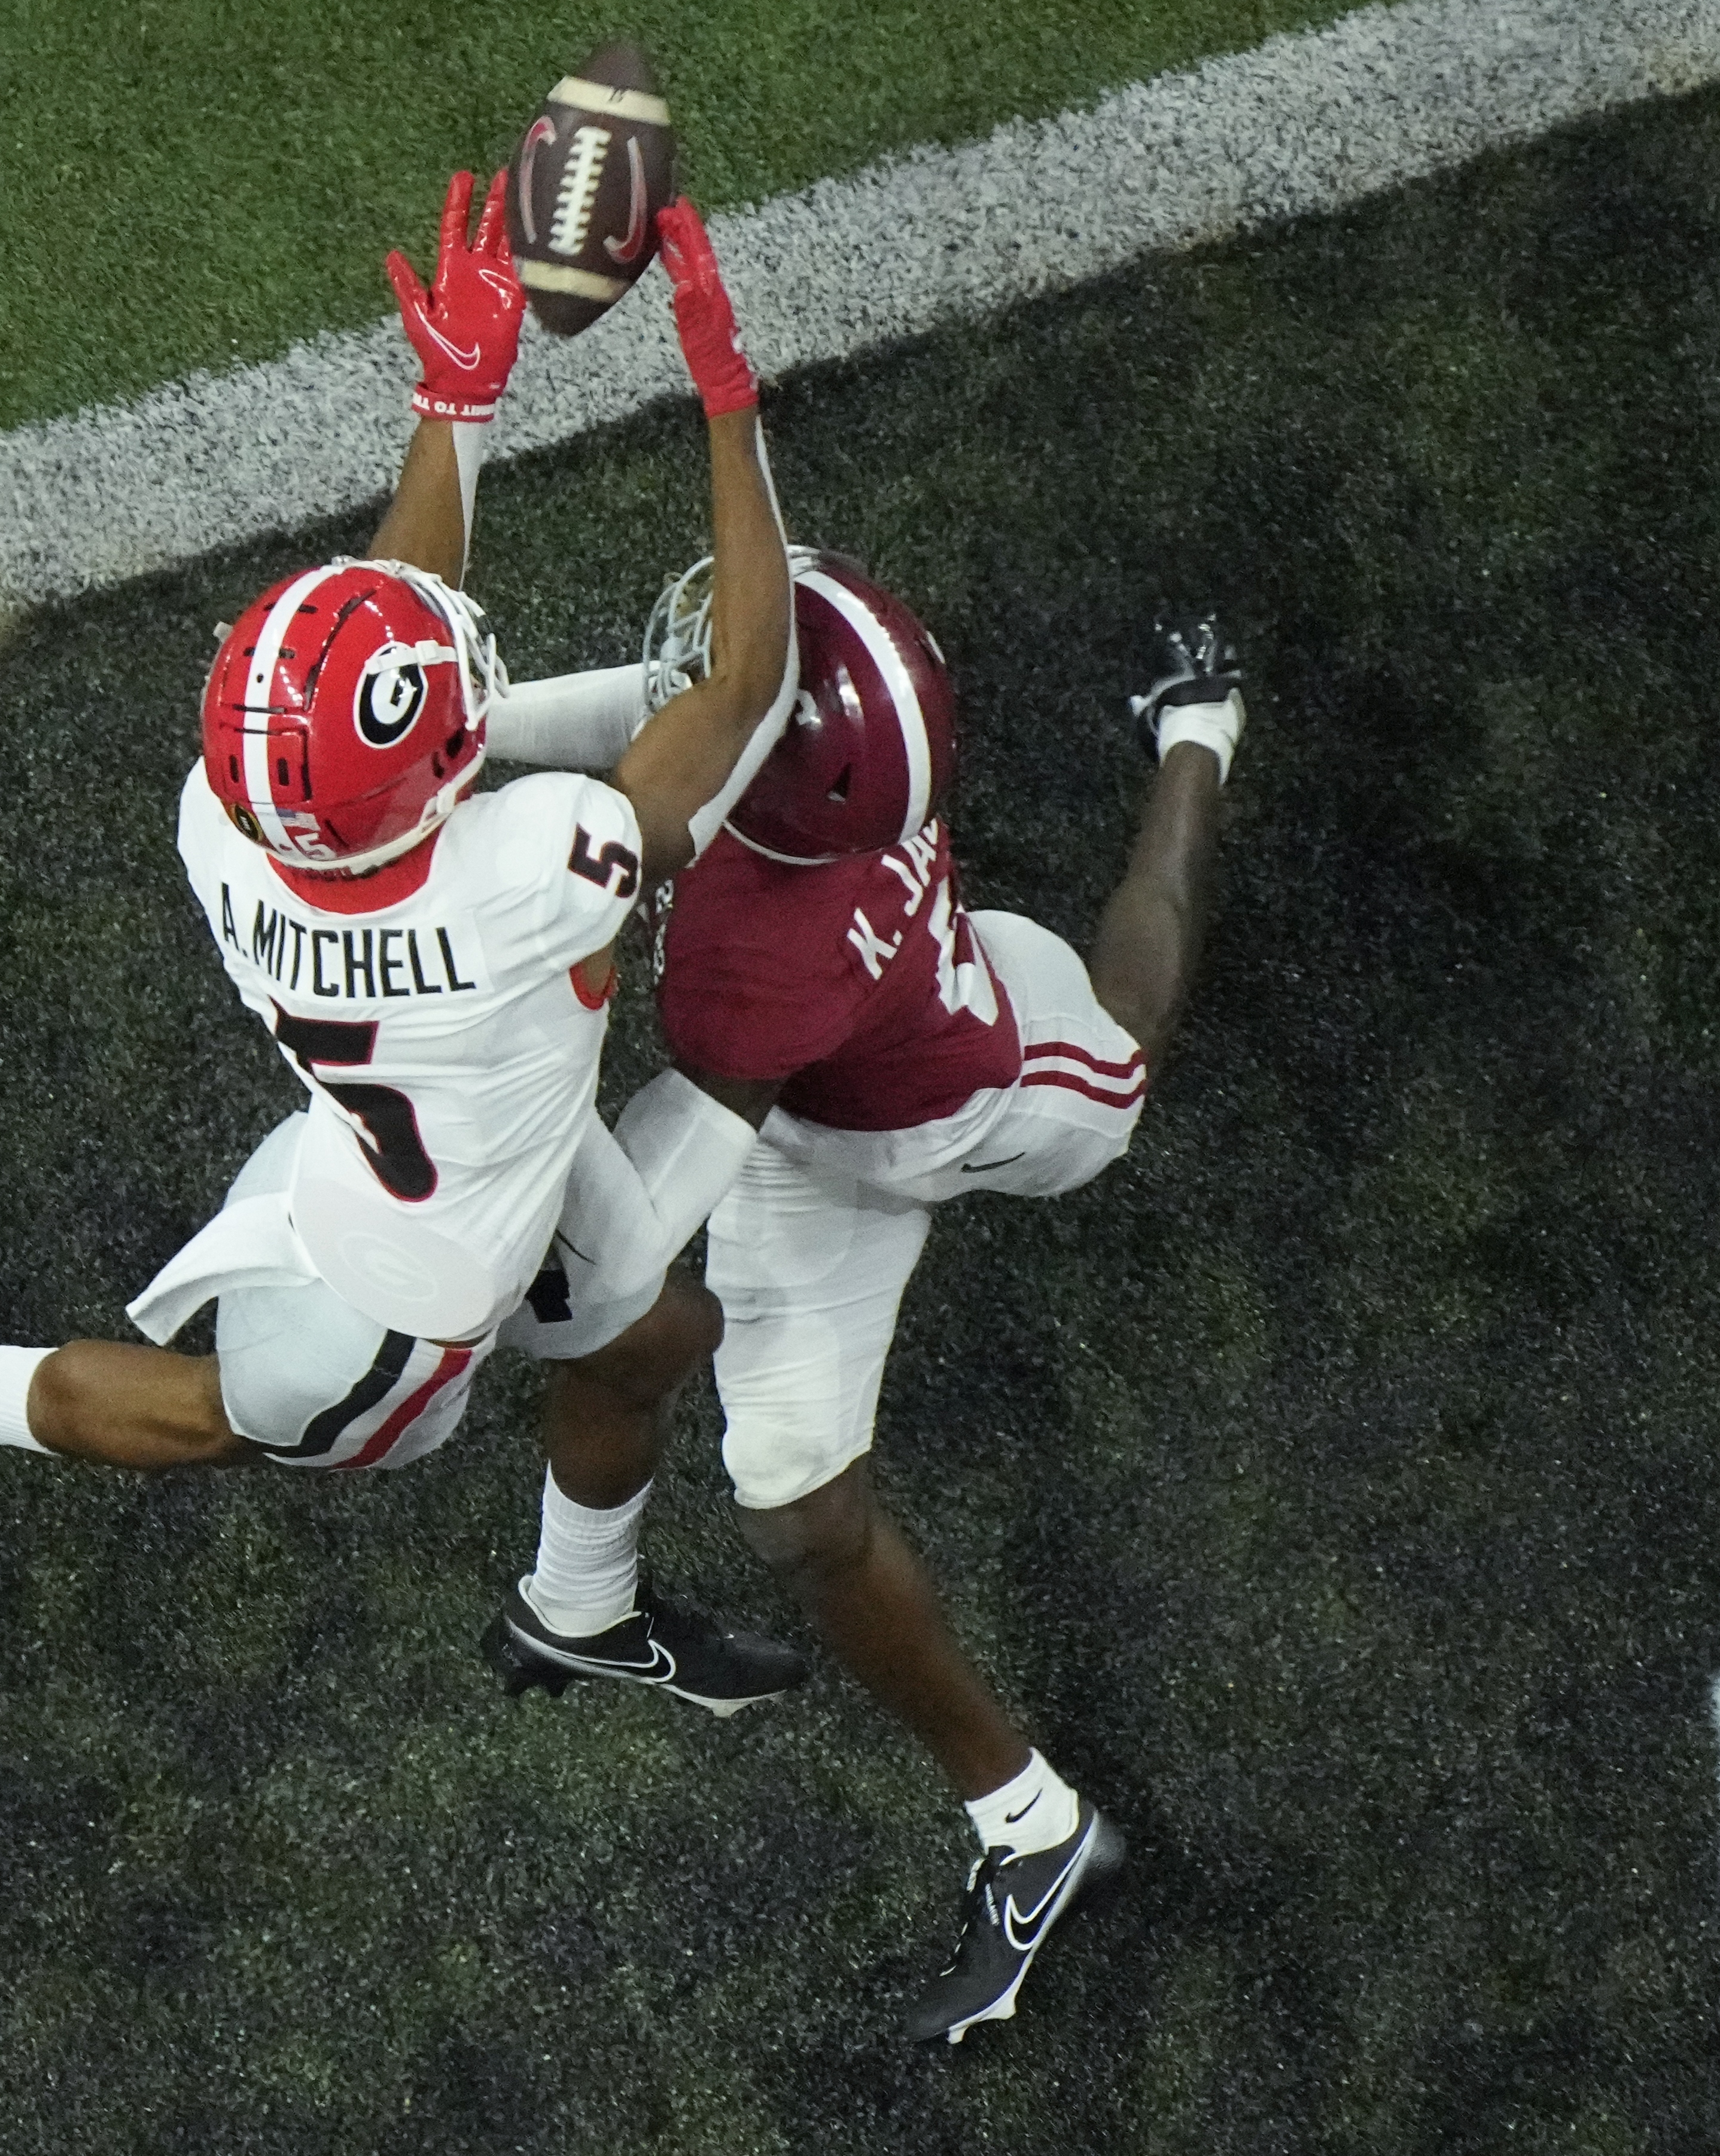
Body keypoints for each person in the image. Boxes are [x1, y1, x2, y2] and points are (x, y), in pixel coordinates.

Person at [0, 171, 810, 1716]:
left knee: (661, 1328)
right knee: (217, 1416)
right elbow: (743, 683)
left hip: (431, 1145)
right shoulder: (531, 869)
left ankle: (576, 1609)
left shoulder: (224, 820)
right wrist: (727, 396)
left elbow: (395, 643)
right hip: (392, 1300)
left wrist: (457, 396)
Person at [486, 548, 1246, 2042]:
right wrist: (474, 729)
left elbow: (638, 1215)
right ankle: (1030, 1824)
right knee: (789, 1502)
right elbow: (675, 703)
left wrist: (475, 1252)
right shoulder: (851, 736)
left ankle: (1199, 733)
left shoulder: (747, 953)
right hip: (810, 1105)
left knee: (1127, 1037)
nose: (708, 674)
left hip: (969, 1093)